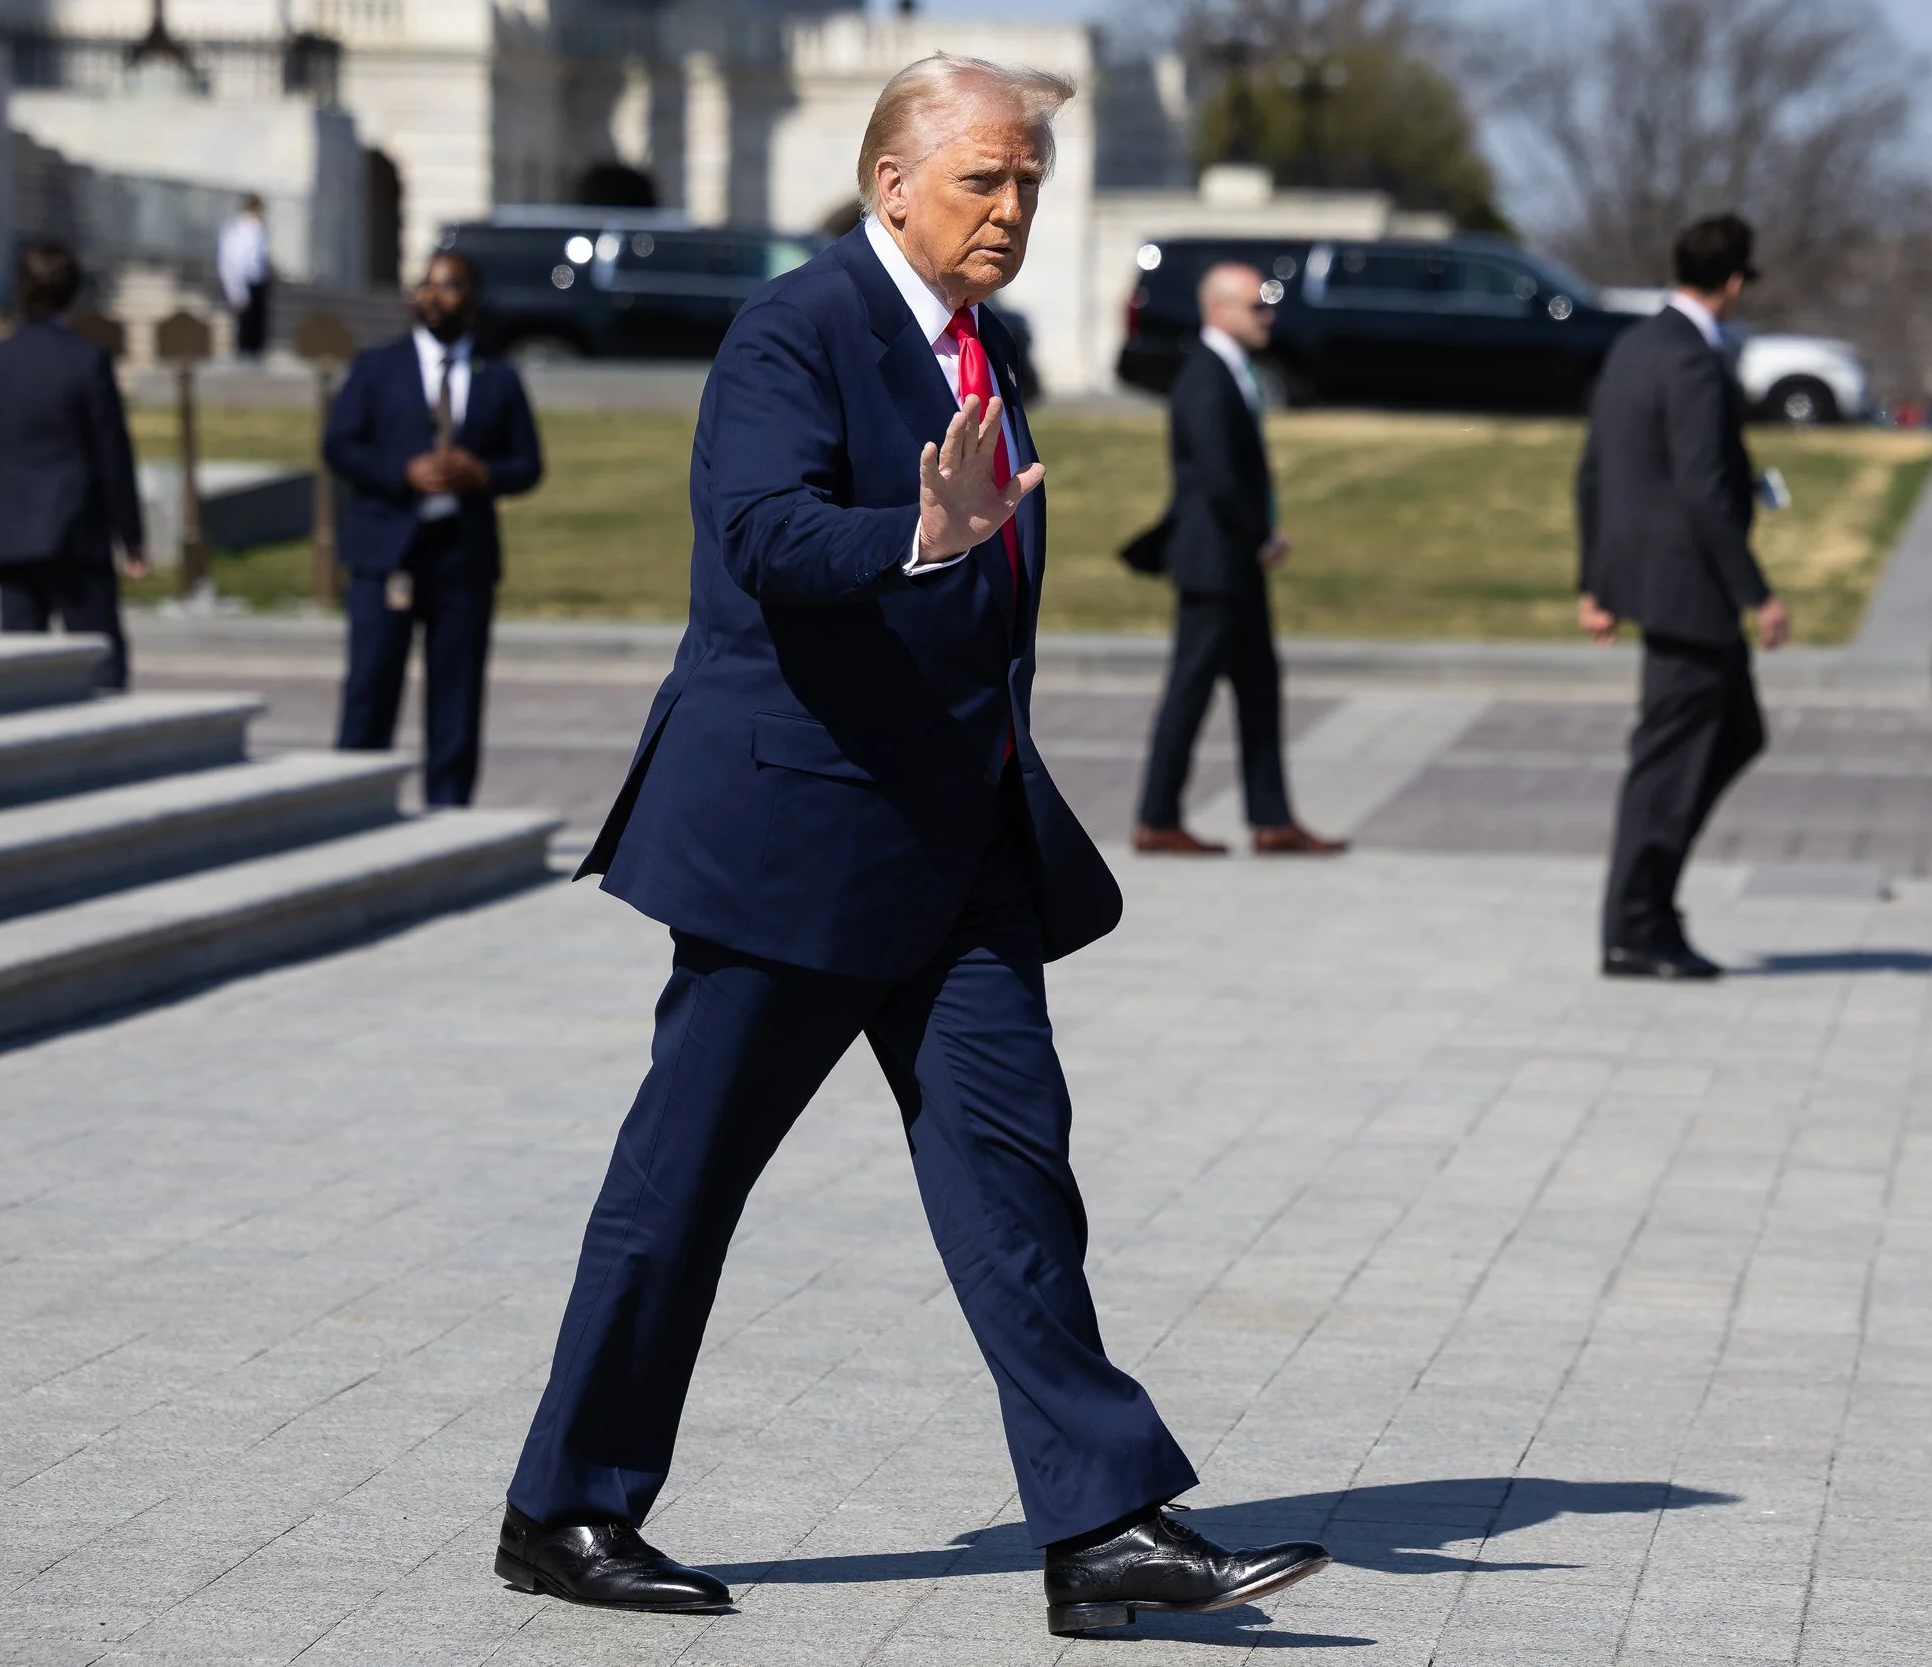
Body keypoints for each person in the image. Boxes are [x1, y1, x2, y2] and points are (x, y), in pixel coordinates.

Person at [499, 53, 1331, 1638]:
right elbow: (758, 532)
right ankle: (567, 1507)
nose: (1014, 208)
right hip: (795, 843)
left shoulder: (981, 342)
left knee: (1017, 1177)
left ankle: (1100, 1526)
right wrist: (917, 533)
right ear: (895, 183)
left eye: (1031, 182)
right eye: (985, 181)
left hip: (956, 851)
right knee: (683, 1183)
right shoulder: (793, 328)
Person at [1576, 213, 1789, 980]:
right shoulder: (1695, 361)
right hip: (1689, 591)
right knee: (1667, 766)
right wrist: (1756, 593)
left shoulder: (1636, 346)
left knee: (1734, 733)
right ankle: (1636, 923)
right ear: (1732, 282)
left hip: (1651, 583)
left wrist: (1595, 583)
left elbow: (1594, 471)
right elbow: (1703, 491)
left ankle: (1651, 904)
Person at [1132, 261, 1345, 856]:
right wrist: (1261, 537)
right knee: (1190, 689)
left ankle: (1272, 819)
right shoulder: (1204, 376)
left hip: (1235, 563)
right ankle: (1157, 819)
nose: (1268, 315)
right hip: (1214, 562)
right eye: (1257, 306)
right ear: (1220, 310)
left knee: (1259, 688)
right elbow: (1219, 477)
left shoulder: (1234, 371)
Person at [322, 251, 542, 806]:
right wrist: (403, 473)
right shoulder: (377, 367)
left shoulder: (499, 376)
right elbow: (339, 446)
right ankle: (352, 805)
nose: (435, 295)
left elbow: (529, 464)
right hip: (386, 553)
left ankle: (449, 813)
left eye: (449, 286)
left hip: (460, 559)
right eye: (427, 285)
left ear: (471, 297)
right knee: (371, 686)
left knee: (457, 697)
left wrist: (482, 473)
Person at [0, 242, 147, 691]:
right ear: (72, 295)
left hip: (9, 535)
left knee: (20, 670)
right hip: (75, 532)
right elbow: (111, 454)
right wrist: (131, 535)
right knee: (99, 660)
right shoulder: (87, 362)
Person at [217, 195, 271, 360]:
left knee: (258, 331)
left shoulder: (260, 230)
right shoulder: (235, 230)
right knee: (245, 331)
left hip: (259, 283)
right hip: (244, 283)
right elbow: (231, 262)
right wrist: (236, 291)